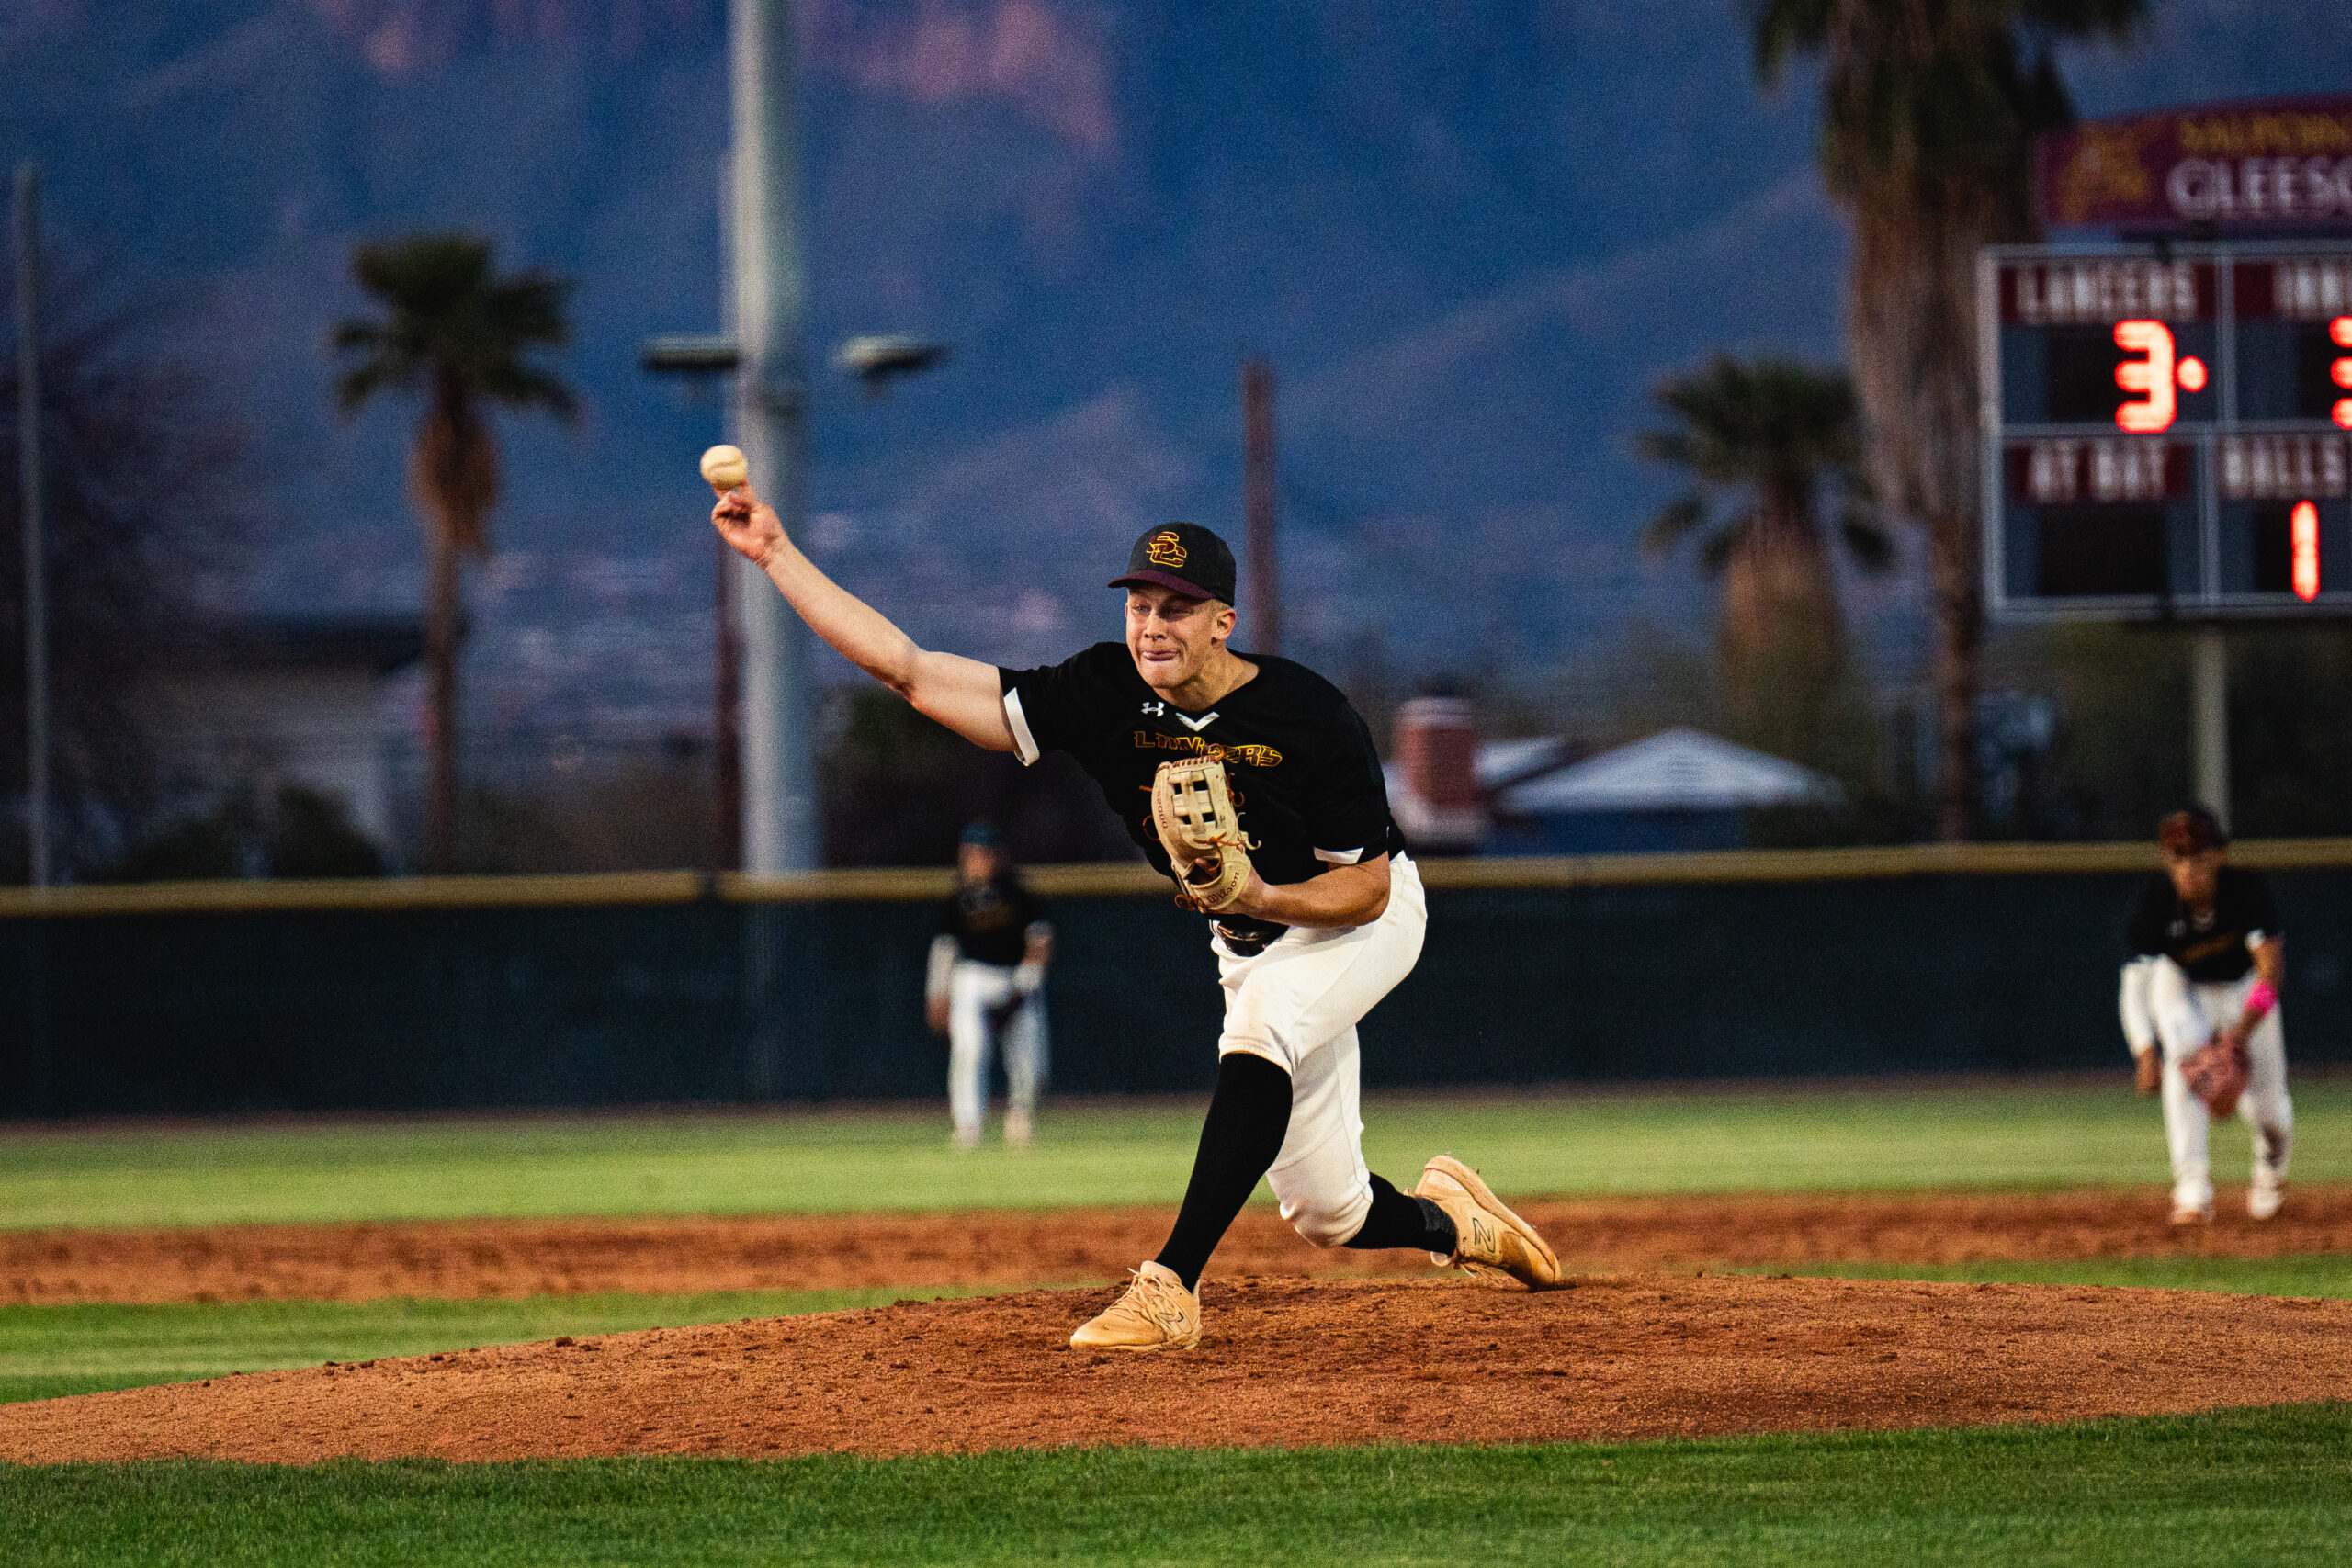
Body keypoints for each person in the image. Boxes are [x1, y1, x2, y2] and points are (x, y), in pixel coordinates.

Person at [709, 489, 1560, 1351]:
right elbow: (914, 671)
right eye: (1140, 604)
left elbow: (1368, 888)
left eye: (1178, 608)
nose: (1152, 625)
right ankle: (1457, 1225)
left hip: (1357, 919)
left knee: (1265, 1028)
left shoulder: (1308, 715)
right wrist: (776, 554)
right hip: (1252, 941)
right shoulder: (1105, 692)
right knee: (1329, 1212)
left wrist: (1262, 897)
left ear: (1224, 621)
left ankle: (1170, 1286)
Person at [2118, 807, 2292, 1224]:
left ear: (2220, 856)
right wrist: (2144, 1050)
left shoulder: (2245, 892)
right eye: (2178, 859)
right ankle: (2192, 1189)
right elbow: (2134, 985)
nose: (2188, 868)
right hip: (2187, 988)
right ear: (2166, 861)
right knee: (2186, 1068)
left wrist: (2240, 1033)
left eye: (2198, 857)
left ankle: (2270, 1170)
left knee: (2268, 1109)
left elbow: (2271, 973)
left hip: (2246, 993)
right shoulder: (2155, 902)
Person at [927, 821, 1052, 1148]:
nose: (983, 860)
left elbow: (1040, 941)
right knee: (970, 1051)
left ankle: (1021, 1118)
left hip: (1015, 978)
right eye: (976, 854)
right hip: (972, 979)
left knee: (1028, 1060)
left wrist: (1025, 984)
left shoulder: (1019, 894)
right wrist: (938, 994)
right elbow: (945, 949)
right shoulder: (957, 899)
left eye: (988, 853)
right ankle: (968, 1126)